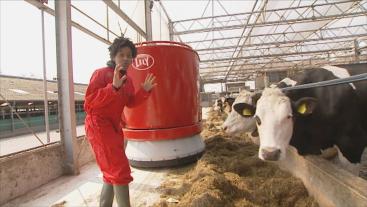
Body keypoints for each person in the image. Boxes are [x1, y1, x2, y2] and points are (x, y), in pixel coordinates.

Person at [84, 36, 156, 207]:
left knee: (112, 172)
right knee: (119, 169)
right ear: (113, 56)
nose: (125, 58)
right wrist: (113, 87)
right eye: (121, 54)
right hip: (99, 125)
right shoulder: (101, 74)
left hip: (114, 126)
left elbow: (130, 102)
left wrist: (144, 91)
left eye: (129, 55)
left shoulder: (129, 81)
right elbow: (89, 103)